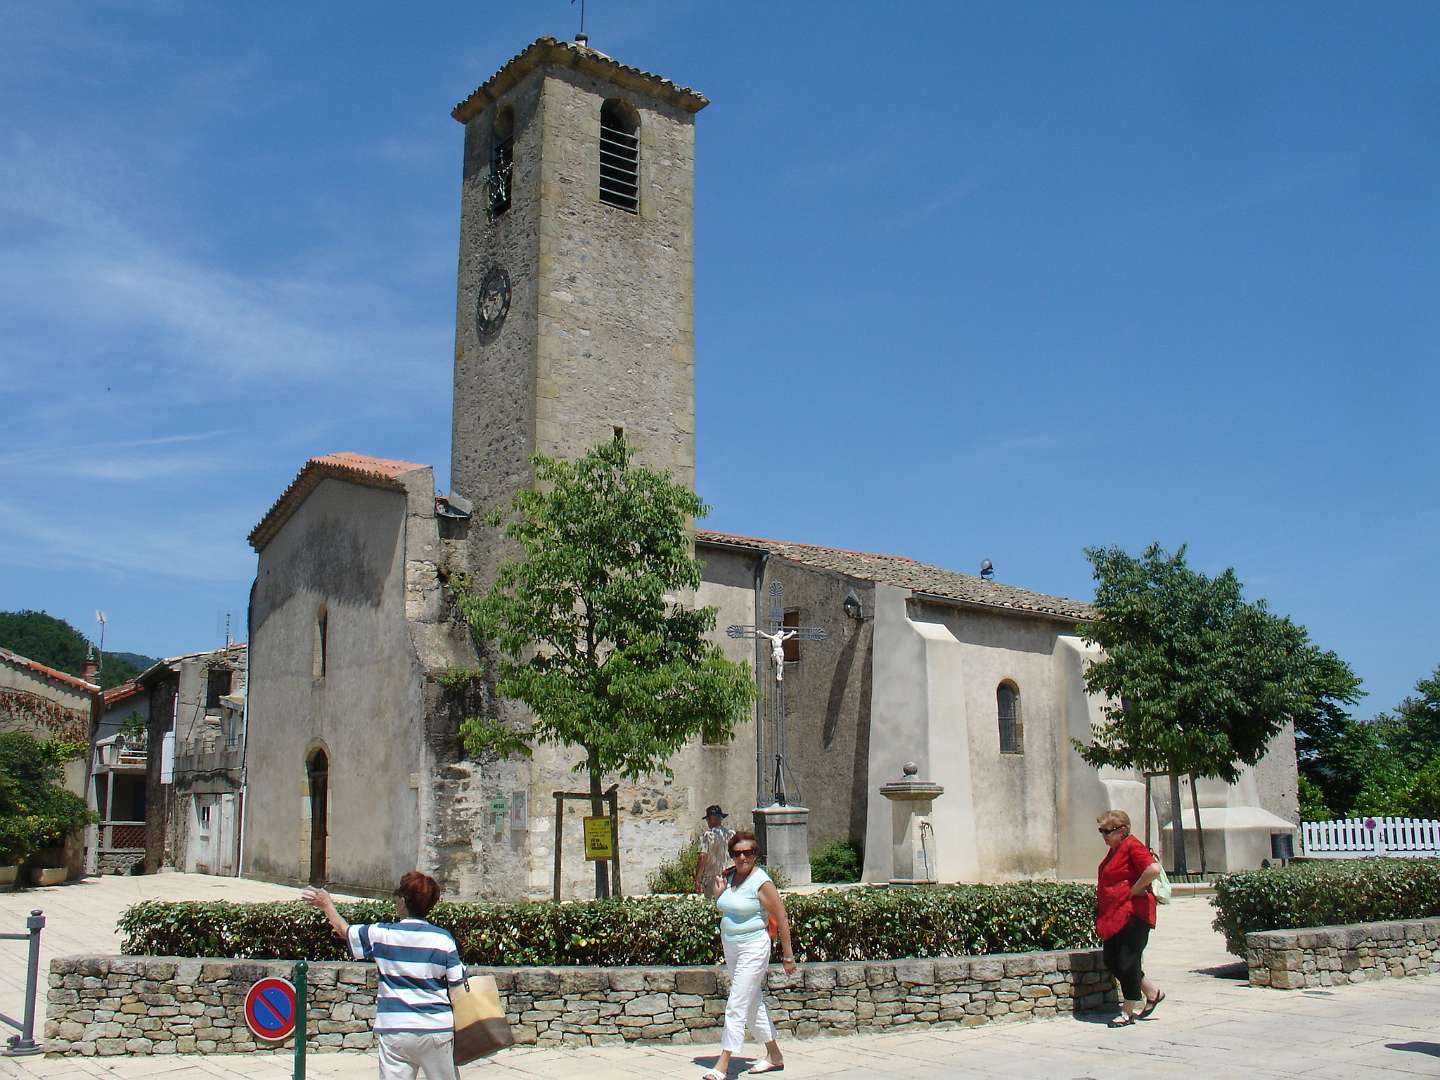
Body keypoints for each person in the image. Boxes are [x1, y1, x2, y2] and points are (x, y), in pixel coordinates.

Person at [303, 871, 465, 1079]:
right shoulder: (443, 940)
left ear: (403, 902)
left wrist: (327, 905)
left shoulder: (382, 934)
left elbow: (345, 931)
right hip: (435, 1028)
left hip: (394, 1028)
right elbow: (457, 984)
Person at [703, 830, 795, 1080]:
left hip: (754, 947)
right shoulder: (729, 877)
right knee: (752, 1001)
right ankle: (774, 1055)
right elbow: (728, 908)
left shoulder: (761, 882)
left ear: (756, 854)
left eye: (748, 852)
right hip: (732, 947)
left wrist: (788, 955)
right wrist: (719, 895)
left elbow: (781, 917)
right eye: (737, 853)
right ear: (731, 855)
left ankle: (722, 1064)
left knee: (737, 1002)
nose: (743, 857)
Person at [1095, 809, 1165, 1027]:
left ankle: (1127, 1012)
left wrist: (1135, 889)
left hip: (1133, 913)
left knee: (1127, 961)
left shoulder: (1132, 846)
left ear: (1122, 830)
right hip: (1115, 914)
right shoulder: (1115, 850)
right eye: (1101, 831)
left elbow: (1154, 869)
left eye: (1108, 831)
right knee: (1112, 960)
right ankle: (1152, 993)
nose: (1104, 835)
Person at [694, 804, 735, 899]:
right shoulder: (731, 834)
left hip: (712, 878)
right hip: (730, 876)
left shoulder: (708, 835)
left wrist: (698, 879)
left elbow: (702, 857)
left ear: (710, 819)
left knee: (713, 904)